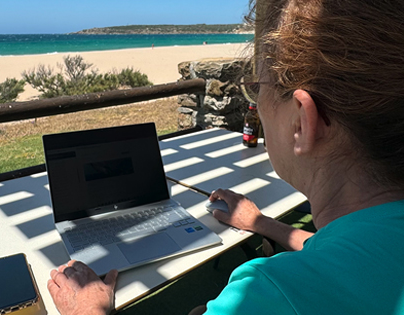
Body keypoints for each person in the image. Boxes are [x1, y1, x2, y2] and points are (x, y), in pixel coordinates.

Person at [47, 0, 404, 314]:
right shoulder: (377, 234)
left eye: (256, 88)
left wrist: (88, 311)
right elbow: (344, 254)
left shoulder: (269, 293)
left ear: (301, 122)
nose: (255, 105)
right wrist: (262, 224)